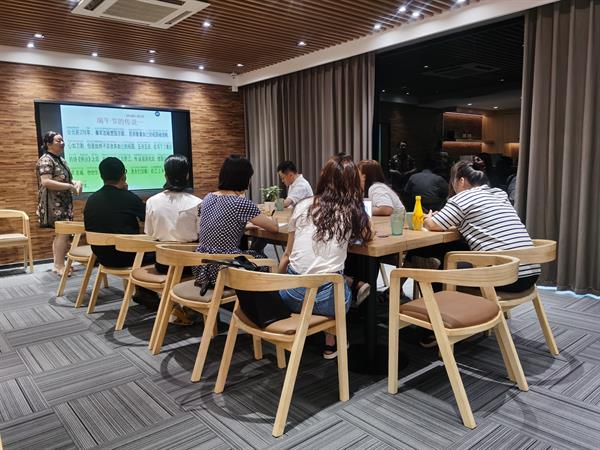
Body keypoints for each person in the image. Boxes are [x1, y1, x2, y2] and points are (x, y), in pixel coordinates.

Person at [278, 154, 373, 359]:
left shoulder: (302, 205)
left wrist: (276, 289)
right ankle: (331, 342)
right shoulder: (352, 210)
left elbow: (287, 255)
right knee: (334, 281)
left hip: (290, 296)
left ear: (323, 178)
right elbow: (368, 236)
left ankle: (329, 336)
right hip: (327, 302)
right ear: (353, 182)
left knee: (327, 273)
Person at [425, 160, 541, 292]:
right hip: (530, 274)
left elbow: (432, 225)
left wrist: (429, 218)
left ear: (461, 181)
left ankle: (441, 304)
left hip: (504, 276)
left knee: (439, 273)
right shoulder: (499, 194)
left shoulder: (463, 197)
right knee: (455, 255)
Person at [193, 155, 279, 289]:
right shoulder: (240, 203)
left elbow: (218, 223)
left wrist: (244, 225)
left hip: (201, 267)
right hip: (224, 268)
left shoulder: (208, 198)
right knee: (264, 260)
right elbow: (273, 228)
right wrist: (274, 218)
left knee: (252, 251)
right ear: (244, 179)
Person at [83, 157, 147, 268]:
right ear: (123, 176)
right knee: (163, 252)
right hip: (130, 256)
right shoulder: (129, 198)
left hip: (102, 257)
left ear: (101, 176)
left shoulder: (91, 199)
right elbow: (149, 218)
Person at [36, 131, 82, 276]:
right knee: (63, 233)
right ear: (48, 144)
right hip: (53, 202)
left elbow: (65, 179)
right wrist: (69, 186)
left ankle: (57, 264)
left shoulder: (61, 159)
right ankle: (60, 265)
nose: (62, 143)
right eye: (58, 141)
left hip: (64, 201)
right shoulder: (46, 160)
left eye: (62, 140)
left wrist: (75, 182)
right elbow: (46, 182)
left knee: (62, 233)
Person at [145, 154, 201, 245]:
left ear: (165, 176)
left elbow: (149, 232)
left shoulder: (151, 201)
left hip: (159, 252)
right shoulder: (198, 203)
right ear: (187, 175)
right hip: (189, 252)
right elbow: (201, 232)